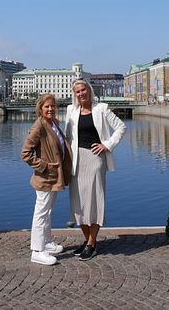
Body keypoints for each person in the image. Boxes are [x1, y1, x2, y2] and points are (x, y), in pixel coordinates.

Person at [65, 79, 126, 261]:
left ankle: (92, 243)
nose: (81, 93)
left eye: (83, 90)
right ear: (74, 94)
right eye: (78, 91)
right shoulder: (71, 110)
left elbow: (121, 127)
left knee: (94, 202)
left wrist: (106, 145)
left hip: (94, 160)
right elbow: (67, 137)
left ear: (89, 90)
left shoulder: (102, 109)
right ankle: (87, 240)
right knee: (78, 202)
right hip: (77, 161)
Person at [20, 94, 72, 265]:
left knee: (48, 211)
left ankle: (47, 242)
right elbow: (26, 154)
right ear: (40, 109)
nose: (50, 109)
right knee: (41, 213)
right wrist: (43, 165)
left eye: (52, 106)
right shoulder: (39, 127)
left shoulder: (53, 123)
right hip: (45, 177)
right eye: (47, 107)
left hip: (54, 176)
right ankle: (37, 250)